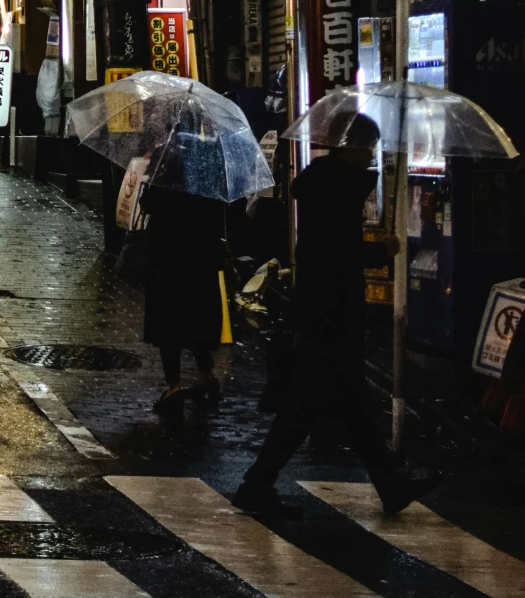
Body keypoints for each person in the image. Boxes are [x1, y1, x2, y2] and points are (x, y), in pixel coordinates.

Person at [234, 113, 417, 518]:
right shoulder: (340, 190)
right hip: (331, 313)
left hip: (322, 310)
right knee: (307, 408)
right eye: (368, 149)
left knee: (350, 405)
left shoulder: (322, 185)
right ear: (351, 148)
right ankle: (256, 483)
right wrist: (381, 250)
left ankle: (390, 486)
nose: (370, 158)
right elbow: (338, 253)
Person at [141, 178, 225, 419]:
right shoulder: (208, 170)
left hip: (168, 256)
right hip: (200, 255)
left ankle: (174, 385)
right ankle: (205, 375)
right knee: (197, 315)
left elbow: (149, 204)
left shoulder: (167, 168)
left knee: (167, 319)